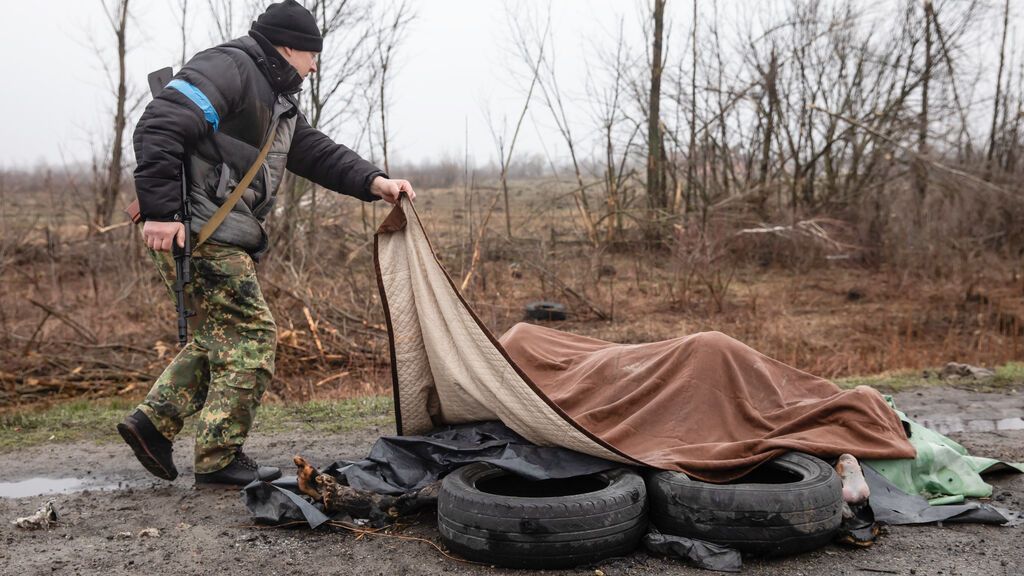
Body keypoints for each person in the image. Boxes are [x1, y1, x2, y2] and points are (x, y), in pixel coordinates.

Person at [117, 0, 415, 487]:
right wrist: (162, 212)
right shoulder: (231, 67)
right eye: (313, 55)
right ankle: (217, 457)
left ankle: (153, 424)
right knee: (251, 335)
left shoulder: (274, 97)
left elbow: (315, 151)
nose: (316, 66)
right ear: (290, 46)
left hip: (216, 230)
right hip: (198, 229)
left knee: (224, 335)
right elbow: (160, 124)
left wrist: (374, 182)